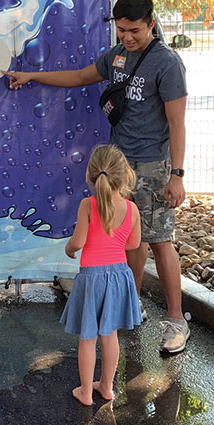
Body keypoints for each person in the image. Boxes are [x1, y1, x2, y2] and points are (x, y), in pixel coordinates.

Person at [9, 0, 189, 354]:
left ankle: (176, 320)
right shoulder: (118, 55)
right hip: (119, 165)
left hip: (153, 163)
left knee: (159, 239)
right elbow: (79, 76)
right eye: (121, 30)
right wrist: (31, 76)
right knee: (127, 239)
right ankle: (131, 304)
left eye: (134, 30)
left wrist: (178, 174)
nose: (127, 37)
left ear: (151, 23)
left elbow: (177, 121)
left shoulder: (167, 63)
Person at [61, 144, 142, 405]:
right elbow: (133, 244)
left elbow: (79, 240)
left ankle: (85, 392)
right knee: (110, 336)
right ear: (126, 175)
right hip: (119, 276)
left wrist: (69, 248)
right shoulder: (132, 209)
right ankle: (106, 387)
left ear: (90, 176)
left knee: (88, 337)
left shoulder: (88, 205)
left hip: (91, 278)